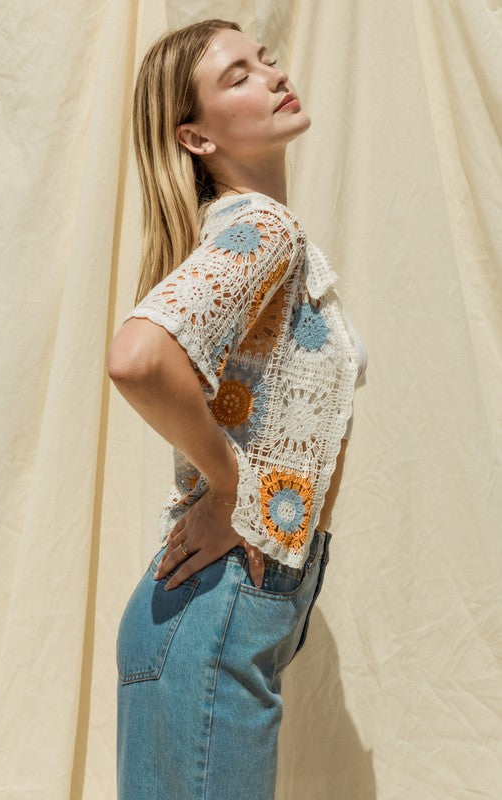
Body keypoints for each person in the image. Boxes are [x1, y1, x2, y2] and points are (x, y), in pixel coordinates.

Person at [107, 18, 367, 800]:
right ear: (193, 138)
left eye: (265, 60)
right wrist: (233, 492)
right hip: (215, 616)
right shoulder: (262, 226)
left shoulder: (252, 232)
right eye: (237, 76)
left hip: (210, 618)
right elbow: (138, 358)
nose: (271, 74)